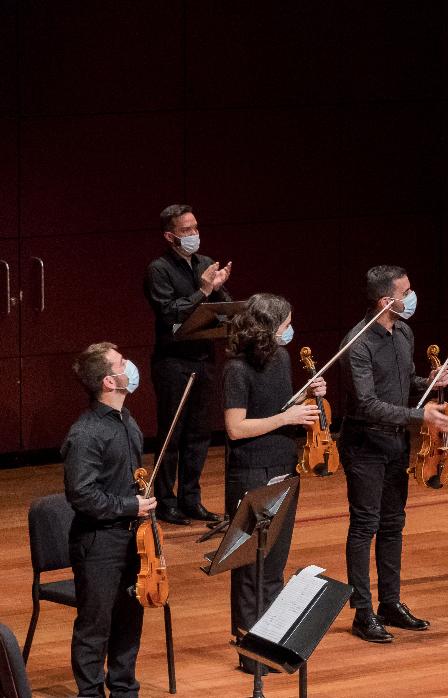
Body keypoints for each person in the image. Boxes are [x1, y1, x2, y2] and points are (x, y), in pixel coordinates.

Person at [340, 265, 448, 643]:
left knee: (393, 525)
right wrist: (419, 414)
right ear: (385, 301)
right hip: (365, 443)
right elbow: (368, 404)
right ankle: (362, 612)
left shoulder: (403, 331)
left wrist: (429, 383)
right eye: (405, 292)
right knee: (365, 526)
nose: (411, 297)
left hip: (395, 443)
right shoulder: (357, 344)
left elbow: (404, 382)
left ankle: (389, 603)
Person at [221, 293, 326, 673]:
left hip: (284, 465)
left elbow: (278, 408)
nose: (289, 331)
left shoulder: (280, 359)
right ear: (270, 328)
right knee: (250, 564)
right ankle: (251, 652)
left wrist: (307, 396)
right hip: (250, 471)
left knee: (275, 561)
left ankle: (272, 641)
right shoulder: (236, 368)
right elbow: (236, 428)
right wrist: (288, 418)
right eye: (285, 325)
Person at [63, 342, 157, 697]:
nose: (129, 366)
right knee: (95, 625)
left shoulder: (126, 421)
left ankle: (123, 689)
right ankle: (89, 693)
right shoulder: (85, 435)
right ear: (109, 381)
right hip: (99, 543)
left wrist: (144, 505)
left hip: (134, 538)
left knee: (129, 619)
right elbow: (82, 495)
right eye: (121, 363)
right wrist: (129, 506)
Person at [144, 203, 231, 526]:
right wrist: (204, 289)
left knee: (199, 434)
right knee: (173, 434)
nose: (194, 234)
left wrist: (218, 287)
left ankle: (191, 499)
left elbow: (223, 307)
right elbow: (170, 312)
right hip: (173, 362)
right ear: (170, 236)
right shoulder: (159, 269)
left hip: (204, 359)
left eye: (195, 227)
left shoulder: (206, 263)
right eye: (186, 230)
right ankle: (165, 501)